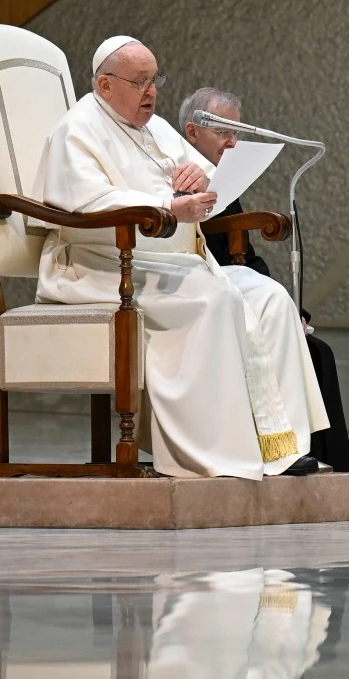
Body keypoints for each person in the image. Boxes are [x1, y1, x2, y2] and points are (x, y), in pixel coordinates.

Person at [31, 36, 329, 479]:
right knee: (215, 303)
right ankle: (215, 453)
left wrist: (200, 177)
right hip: (101, 267)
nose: (151, 92)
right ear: (105, 85)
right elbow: (86, 206)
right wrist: (169, 206)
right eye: (140, 81)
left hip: (176, 263)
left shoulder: (158, 128)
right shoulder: (77, 130)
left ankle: (280, 446)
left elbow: (208, 176)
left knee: (270, 297)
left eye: (155, 80)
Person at [180, 87, 349, 473]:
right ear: (192, 133)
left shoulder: (223, 179)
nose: (233, 142)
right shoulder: (180, 172)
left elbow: (246, 256)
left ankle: (317, 460)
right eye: (223, 131)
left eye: (236, 132)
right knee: (313, 352)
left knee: (317, 350)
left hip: (237, 285)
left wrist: (296, 311)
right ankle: (282, 452)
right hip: (199, 289)